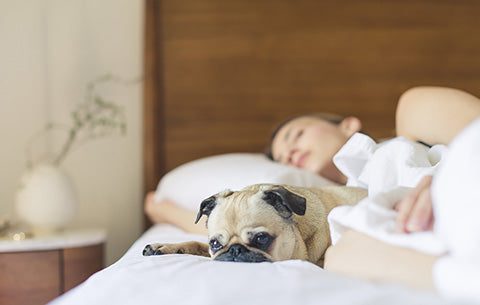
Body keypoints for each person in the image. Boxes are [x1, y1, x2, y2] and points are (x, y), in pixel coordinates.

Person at [144, 86, 480, 299]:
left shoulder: (411, 129)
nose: (288, 153)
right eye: (280, 158)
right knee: (343, 258)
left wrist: (444, 178)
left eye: (296, 135)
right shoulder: (337, 224)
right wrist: (163, 212)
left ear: (348, 125)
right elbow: (233, 228)